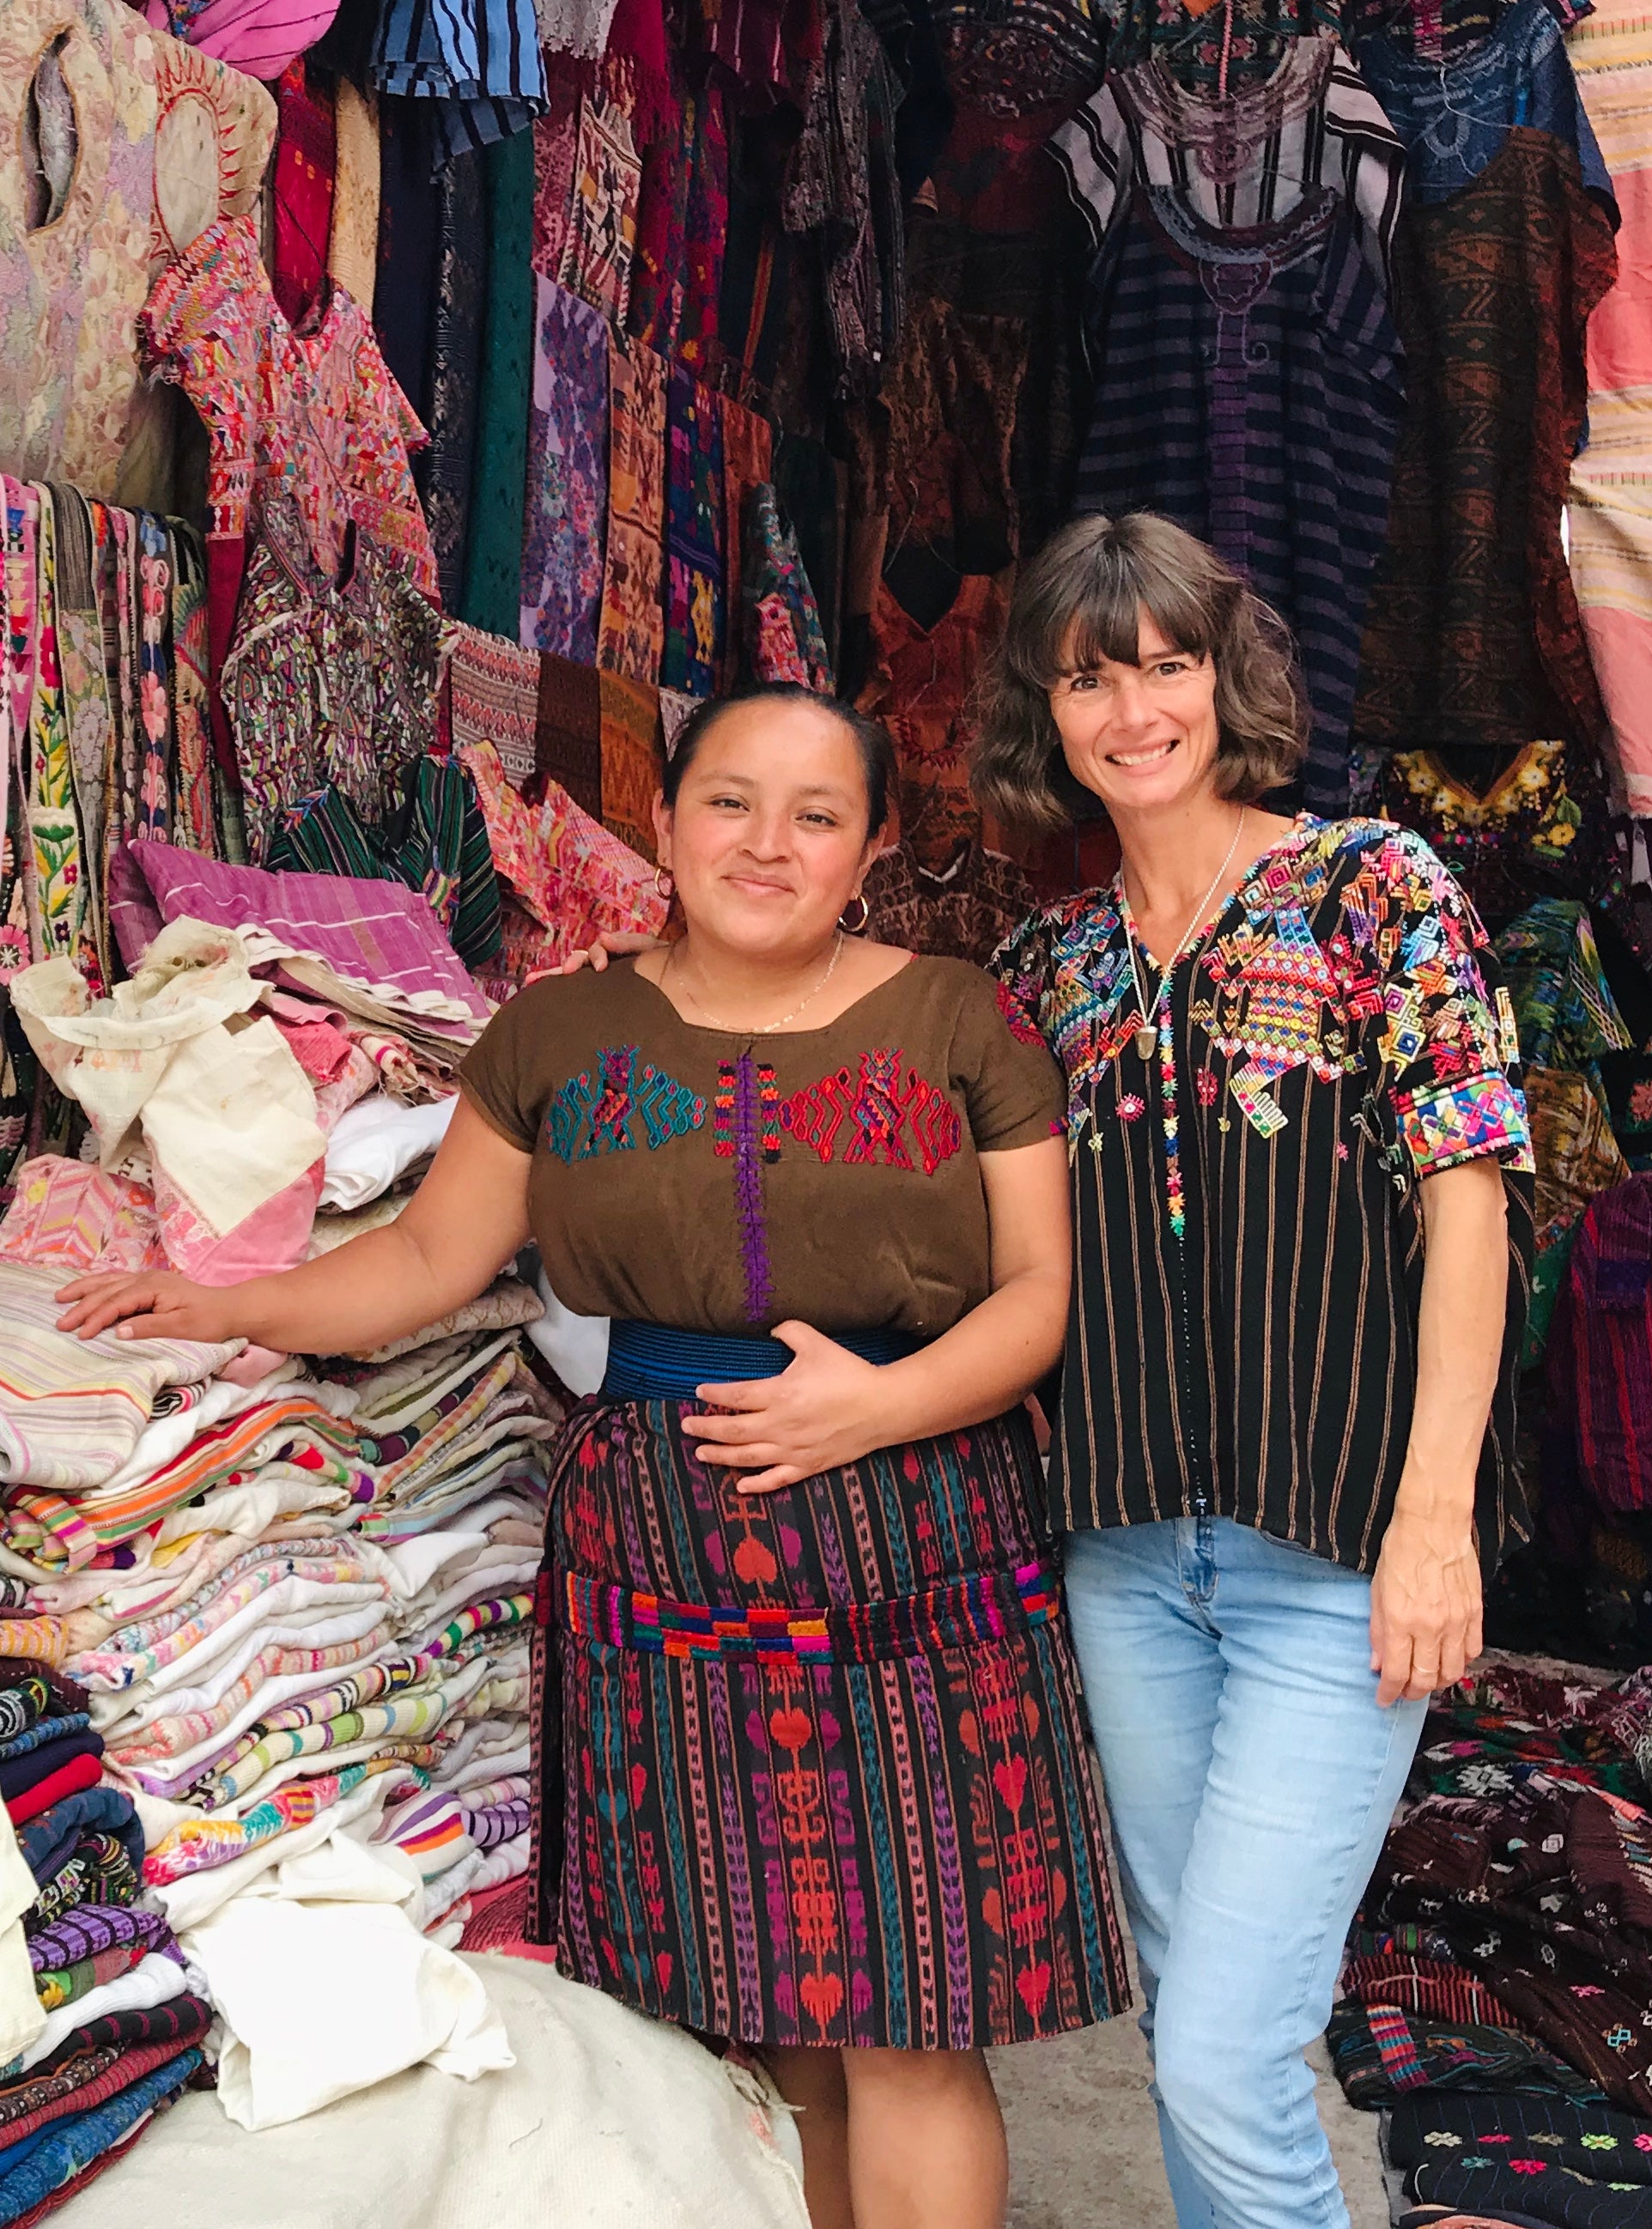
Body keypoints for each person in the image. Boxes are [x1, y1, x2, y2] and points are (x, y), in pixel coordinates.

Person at [56, 683, 1130, 2229]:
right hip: (665, 1551)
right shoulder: (559, 1032)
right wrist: (225, 1300)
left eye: (818, 814)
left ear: (874, 844)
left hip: (921, 1537)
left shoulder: (963, 1018)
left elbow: (1042, 1294)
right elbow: (430, 1258)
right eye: (731, 803)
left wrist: (879, 1409)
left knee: (915, 2016)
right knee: (766, 2019)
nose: (769, 844)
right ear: (666, 822)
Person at [973, 513, 1534, 2229]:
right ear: (1045, 711)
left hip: (1336, 1553)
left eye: (1167, 660)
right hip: (1128, 1560)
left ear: (1224, 677)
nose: (1136, 707)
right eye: (1090, 674)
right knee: (1203, 2031)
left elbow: (1467, 1201)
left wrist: (1432, 1517)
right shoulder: (1042, 969)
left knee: (1222, 2047)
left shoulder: (1372, 888)